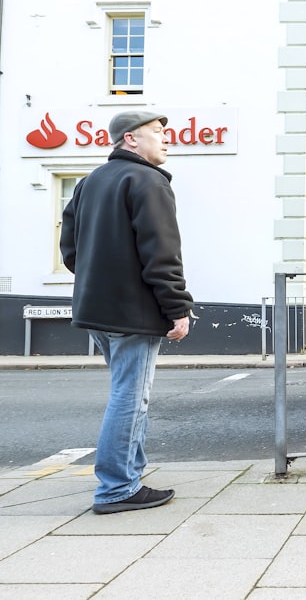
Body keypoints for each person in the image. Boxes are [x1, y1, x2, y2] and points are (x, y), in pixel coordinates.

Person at [60, 111, 194, 513]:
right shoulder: (148, 181)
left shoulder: (89, 183)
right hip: (133, 313)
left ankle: (130, 470)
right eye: (158, 133)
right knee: (131, 397)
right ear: (130, 140)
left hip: (97, 309)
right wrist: (178, 309)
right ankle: (117, 488)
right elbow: (162, 254)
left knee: (130, 392)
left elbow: (70, 250)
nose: (167, 140)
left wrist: (99, 281)